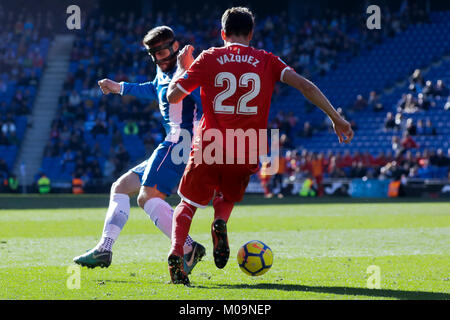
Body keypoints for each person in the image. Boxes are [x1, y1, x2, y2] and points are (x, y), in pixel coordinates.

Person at [166, 7, 354, 284]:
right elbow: (306, 86)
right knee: (228, 195)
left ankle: (176, 252)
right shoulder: (267, 60)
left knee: (188, 204)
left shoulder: (207, 58)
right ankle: (221, 222)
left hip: (208, 142)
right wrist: (336, 118)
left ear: (222, 33)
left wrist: (183, 68)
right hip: (247, 145)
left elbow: (172, 97)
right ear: (251, 34)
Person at [73, 26, 206, 275]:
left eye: (163, 51)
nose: (159, 58)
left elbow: (206, 100)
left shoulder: (189, 67)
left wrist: (189, 71)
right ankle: (104, 248)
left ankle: (188, 248)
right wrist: (120, 88)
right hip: (175, 141)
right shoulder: (164, 68)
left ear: (175, 46)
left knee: (147, 198)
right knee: (121, 187)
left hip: (184, 142)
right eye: (154, 54)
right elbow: (155, 88)